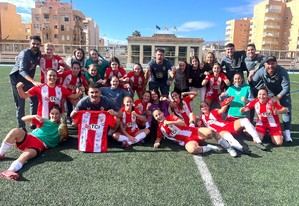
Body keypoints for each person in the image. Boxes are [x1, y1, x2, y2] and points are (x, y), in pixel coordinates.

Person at [0, 105, 64, 180]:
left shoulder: (62, 128)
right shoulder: (45, 121)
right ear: (49, 114)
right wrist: (34, 116)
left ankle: (10, 171)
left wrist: (63, 133)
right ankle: (1, 153)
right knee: (15, 131)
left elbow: (63, 137)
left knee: (26, 155)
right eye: (52, 113)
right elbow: (23, 118)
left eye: (57, 114)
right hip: (29, 137)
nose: (54, 116)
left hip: (39, 144)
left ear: (60, 114)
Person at [152, 109, 235, 156]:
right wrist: (157, 143)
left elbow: (182, 123)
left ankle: (229, 148)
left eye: (159, 114)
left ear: (163, 113)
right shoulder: (160, 128)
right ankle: (209, 147)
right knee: (192, 150)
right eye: (156, 116)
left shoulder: (170, 117)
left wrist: (170, 122)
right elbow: (158, 137)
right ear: (155, 119)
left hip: (192, 131)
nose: (158, 116)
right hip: (186, 141)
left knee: (211, 132)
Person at [199, 100, 269, 156]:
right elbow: (198, 124)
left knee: (245, 120)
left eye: (205, 106)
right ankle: (242, 149)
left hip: (227, 125)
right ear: (201, 109)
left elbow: (222, 110)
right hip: (220, 131)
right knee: (229, 137)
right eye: (202, 107)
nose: (204, 108)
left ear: (208, 107)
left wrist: (226, 103)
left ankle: (258, 141)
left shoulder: (213, 111)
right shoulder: (201, 118)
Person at [249, 56, 292, 142]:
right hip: (270, 92)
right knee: (268, 110)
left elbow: (286, 87)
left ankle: (287, 132)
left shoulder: (282, 71)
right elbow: (253, 82)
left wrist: (278, 97)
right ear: (265, 65)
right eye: (268, 64)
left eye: (273, 63)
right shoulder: (261, 71)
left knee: (286, 109)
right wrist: (250, 78)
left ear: (276, 63)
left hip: (282, 93)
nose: (270, 66)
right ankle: (267, 129)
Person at [16, 69, 83, 120]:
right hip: (42, 119)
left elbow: (74, 96)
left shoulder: (61, 88)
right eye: (50, 75)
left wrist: (80, 92)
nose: (52, 77)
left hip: (56, 119)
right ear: (46, 76)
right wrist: (19, 88)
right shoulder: (39, 87)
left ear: (57, 77)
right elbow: (24, 96)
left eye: (54, 76)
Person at [9, 35, 42, 129]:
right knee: (20, 104)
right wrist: (33, 81)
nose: (35, 45)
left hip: (28, 80)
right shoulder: (25, 54)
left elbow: (42, 63)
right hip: (17, 80)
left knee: (35, 100)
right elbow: (22, 70)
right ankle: (22, 127)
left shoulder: (38, 53)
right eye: (33, 43)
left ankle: (33, 122)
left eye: (38, 44)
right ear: (29, 44)